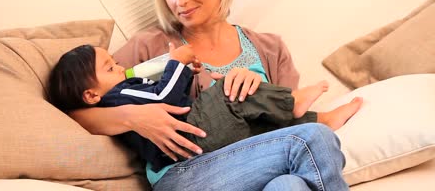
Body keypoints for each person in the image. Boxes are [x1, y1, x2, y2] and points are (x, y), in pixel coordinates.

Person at [68, 0, 363, 190]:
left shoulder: (270, 49)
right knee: (314, 138)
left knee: (288, 184)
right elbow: (79, 112)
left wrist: (253, 88)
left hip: (257, 166)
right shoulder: (151, 47)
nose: (179, 1)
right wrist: (136, 117)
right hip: (184, 175)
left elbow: (287, 126)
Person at [48, 43, 362, 173]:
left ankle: (308, 115)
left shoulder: (263, 43)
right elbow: (161, 99)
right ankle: (294, 104)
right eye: (110, 67)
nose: (121, 67)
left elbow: (164, 94)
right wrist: (176, 64)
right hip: (191, 146)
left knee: (288, 183)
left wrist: (184, 71)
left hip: (225, 139)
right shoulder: (122, 89)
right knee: (228, 91)